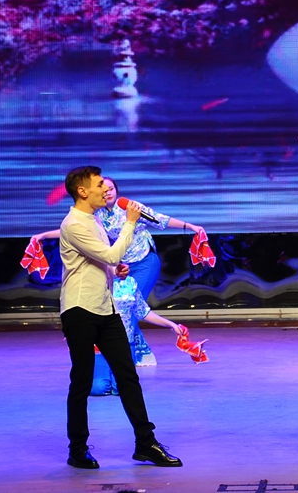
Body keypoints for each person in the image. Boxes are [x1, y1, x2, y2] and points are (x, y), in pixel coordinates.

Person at [58, 165, 182, 469]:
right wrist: (130, 224)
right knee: (81, 380)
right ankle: (77, 449)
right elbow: (111, 253)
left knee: (128, 375)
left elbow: (104, 260)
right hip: (80, 309)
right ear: (82, 191)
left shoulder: (93, 219)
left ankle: (146, 443)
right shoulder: (74, 224)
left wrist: (115, 270)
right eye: (99, 184)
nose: (105, 189)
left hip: (105, 307)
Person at [35, 177, 205, 301]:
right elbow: (74, 230)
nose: (108, 192)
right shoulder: (98, 214)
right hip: (121, 268)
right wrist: (43, 235)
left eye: (111, 189)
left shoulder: (129, 207)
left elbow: (160, 219)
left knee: (133, 304)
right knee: (119, 306)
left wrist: (190, 226)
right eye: (104, 189)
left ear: (116, 191)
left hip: (144, 261)